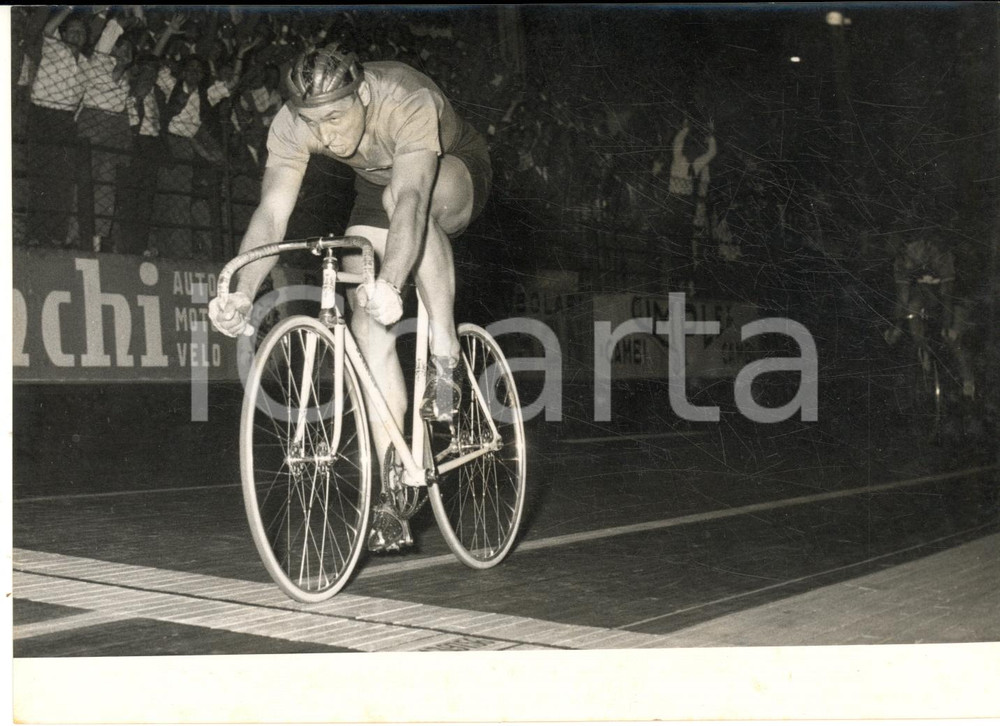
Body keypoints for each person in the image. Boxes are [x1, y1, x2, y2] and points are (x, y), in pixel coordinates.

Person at [208, 44, 492, 552]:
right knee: (366, 322)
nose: (326, 138)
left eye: (336, 118)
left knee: (398, 216)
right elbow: (272, 215)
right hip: (379, 184)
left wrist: (394, 281)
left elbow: (410, 199)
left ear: (362, 93)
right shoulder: (292, 126)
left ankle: (445, 353)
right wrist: (242, 292)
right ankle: (394, 490)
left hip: (446, 171)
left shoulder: (406, 97)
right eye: (311, 123)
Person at [884, 233, 975, 401]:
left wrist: (948, 326)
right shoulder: (901, 261)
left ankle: (968, 380)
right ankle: (923, 350)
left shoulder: (941, 255)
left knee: (951, 338)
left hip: (957, 296)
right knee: (912, 307)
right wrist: (896, 325)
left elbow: (948, 296)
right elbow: (902, 297)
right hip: (929, 293)